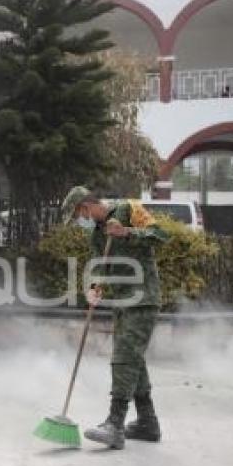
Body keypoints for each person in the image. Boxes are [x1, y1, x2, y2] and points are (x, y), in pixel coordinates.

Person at [61, 186, 169, 449]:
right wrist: (95, 287)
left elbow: (160, 235)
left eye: (79, 215)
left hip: (143, 299)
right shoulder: (97, 235)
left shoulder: (128, 209)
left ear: (86, 206)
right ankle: (147, 423)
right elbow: (101, 266)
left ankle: (115, 424)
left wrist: (127, 232)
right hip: (123, 303)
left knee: (123, 358)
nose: (81, 221)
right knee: (134, 360)